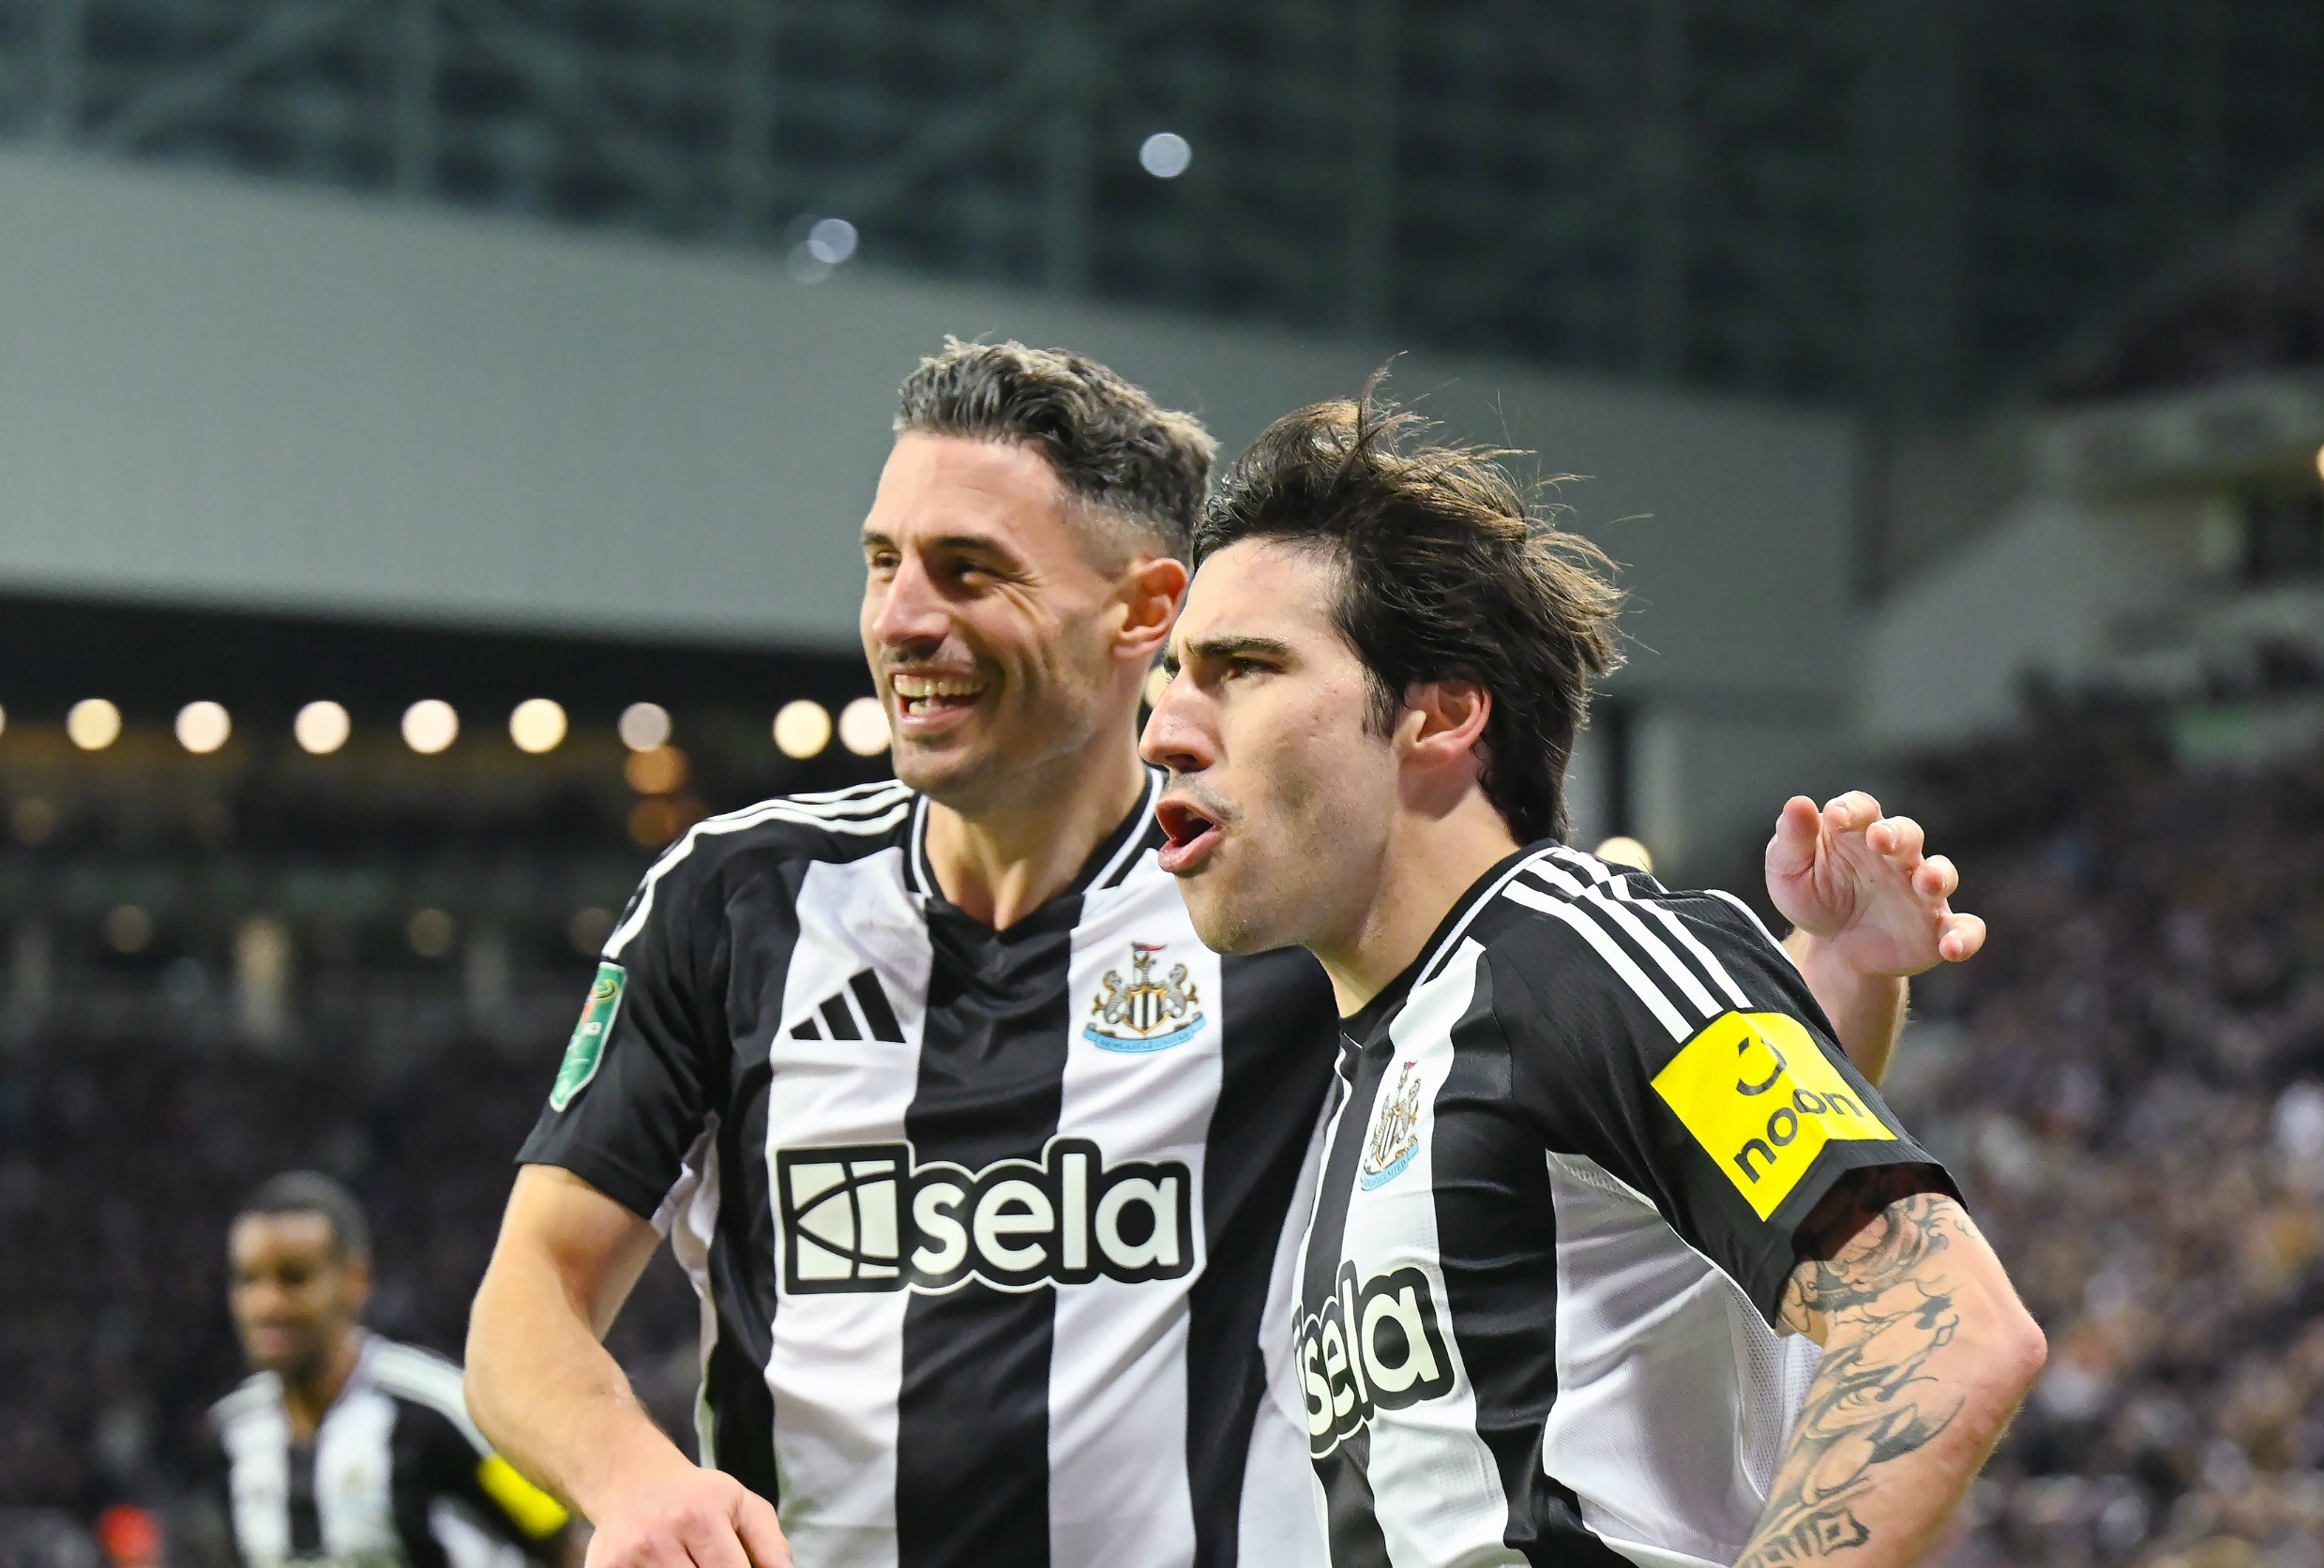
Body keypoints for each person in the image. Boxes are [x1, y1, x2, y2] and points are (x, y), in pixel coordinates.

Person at [464, 340, 1980, 1568]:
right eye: (880, 561)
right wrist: (632, 1476)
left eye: (966, 568)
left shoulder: (1427, 937)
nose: (900, 616)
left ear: (1139, 609)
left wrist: (1808, 981)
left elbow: (1875, 1280)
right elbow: (1661, 1195)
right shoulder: (739, 904)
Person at [1138, 388, 2044, 1568]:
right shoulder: (1389, 1053)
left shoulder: (1574, 949)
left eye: (1241, 667)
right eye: (1170, 679)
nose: (1164, 728)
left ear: (1442, 714)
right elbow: (1675, 1240)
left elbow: (1941, 1331)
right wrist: (1844, 981)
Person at [211, 1172, 572, 1568]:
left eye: (294, 1278)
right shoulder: (233, 1432)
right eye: (248, 1280)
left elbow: (561, 1541)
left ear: (355, 1281)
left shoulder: (442, 1410)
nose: (267, 1304)